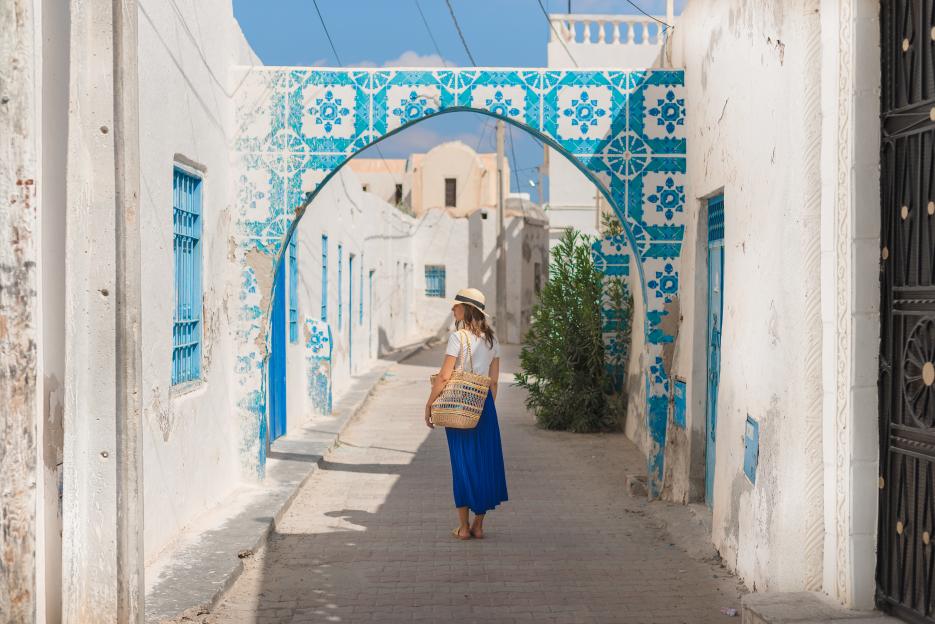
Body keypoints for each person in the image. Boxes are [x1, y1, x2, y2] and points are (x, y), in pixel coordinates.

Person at [424, 287, 509, 540]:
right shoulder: (492, 341)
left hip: (459, 406)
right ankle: (479, 526)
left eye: (456, 306)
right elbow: (494, 382)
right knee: (484, 463)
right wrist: (485, 407)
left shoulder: (457, 337)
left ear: (467, 310)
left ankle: (463, 527)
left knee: (462, 464)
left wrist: (429, 404)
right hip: (485, 408)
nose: (453, 309)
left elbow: (444, 376)